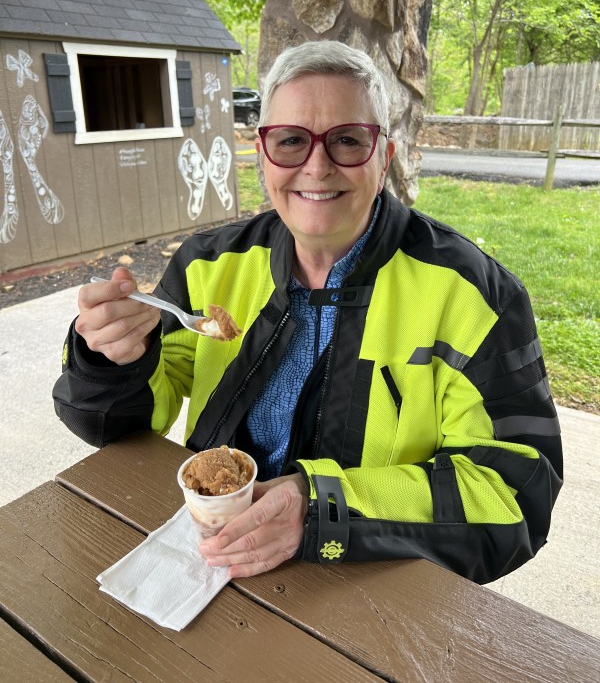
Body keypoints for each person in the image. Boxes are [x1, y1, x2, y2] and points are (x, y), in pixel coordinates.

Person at [53, 40, 562, 584]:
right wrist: (110, 359)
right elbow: (126, 425)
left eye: (347, 140)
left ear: (384, 156)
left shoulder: (476, 298)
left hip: (372, 580)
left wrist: (321, 509)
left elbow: (513, 494)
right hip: (212, 560)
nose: (317, 167)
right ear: (263, 154)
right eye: (292, 141)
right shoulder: (207, 266)